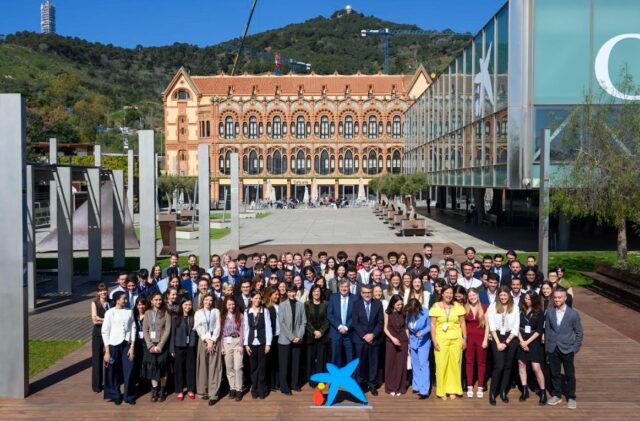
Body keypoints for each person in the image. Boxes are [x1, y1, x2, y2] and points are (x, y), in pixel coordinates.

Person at [545, 289, 583, 410]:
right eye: (555, 297)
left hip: (567, 348)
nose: (557, 299)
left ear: (565, 298)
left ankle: (571, 397)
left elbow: (579, 333)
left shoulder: (573, 314)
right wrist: (547, 347)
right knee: (554, 373)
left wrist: (575, 348)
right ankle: (557, 395)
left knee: (569, 374)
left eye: (559, 297)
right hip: (553, 348)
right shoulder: (550, 312)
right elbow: (547, 331)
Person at [429, 285, 467, 400]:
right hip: (441, 339)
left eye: (451, 293)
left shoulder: (458, 306)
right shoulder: (436, 306)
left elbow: (463, 323)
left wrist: (465, 339)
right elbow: (433, 325)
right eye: (447, 292)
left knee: (455, 364)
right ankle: (442, 391)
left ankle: (453, 390)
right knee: (441, 365)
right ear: (442, 293)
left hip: (456, 339)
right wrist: (434, 340)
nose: (449, 295)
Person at [101, 291, 137, 405]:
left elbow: (133, 328)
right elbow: (105, 331)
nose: (126, 300)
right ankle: (115, 394)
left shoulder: (129, 312)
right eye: (123, 298)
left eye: (126, 298)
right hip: (113, 345)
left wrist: (132, 346)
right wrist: (107, 351)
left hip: (126, 345)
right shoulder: (109, 313)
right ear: (117, 300)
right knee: (113, 370)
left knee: (129, 368)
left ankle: (129, 395)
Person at [487, 286, 520, 405]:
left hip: (511, 338)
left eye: (505, 295)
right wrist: (498, 343)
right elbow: (491, 326)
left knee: (508, 366)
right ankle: (492, 393)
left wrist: (506, 342)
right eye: (501, 295)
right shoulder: (492, 306)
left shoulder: (515, 307)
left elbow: (516, 327)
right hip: (497, 337)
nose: (503, 297)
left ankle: (503, 392)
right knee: (499, 366)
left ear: (509, 295)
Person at [351, 284, 384, 396]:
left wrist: (373, 335)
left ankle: (372, 384)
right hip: (360, 340)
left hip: (374, 339)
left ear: (372, 293)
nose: (367, 294)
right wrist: (365, 336)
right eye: (364, 292)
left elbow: (380, 322)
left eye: (369, 292)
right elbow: (355, 322)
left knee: (373, 363)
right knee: (361, 363)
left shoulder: (378, 304)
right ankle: (361, 384)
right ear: (361, 293)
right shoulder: (356, 304)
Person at [141, 292, 172, 403]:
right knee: (152, 368)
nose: (158, 301)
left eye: (160, 299)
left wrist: (160, 345)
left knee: (163, 368)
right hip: (150, 345)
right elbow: (145, 330)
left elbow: (167, 330)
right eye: (156, 300)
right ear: (151, 301)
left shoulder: (166, 312)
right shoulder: (147, 313)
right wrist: (150, 345)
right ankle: (155, 390)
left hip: (162, 345)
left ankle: (162, 390)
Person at [517, 291, 546, 404]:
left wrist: (527, 342)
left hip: (533, 341)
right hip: (521, 339)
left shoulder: (539, 312)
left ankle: (542, 391)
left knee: (536, 367)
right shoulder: (520, 310)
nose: (527, 301)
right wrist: (522, 341)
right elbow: (516, 326)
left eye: (529, 299)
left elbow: (539, 330)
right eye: (526, 298)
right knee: (521, 364)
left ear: (534, 300)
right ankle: (524, 389)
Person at [194, 293, 223, 406]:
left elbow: (218, 326)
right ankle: (203, 390)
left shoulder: (216, 311)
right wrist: (207, 339)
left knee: (214, 366)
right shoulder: (198, 313)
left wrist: (212, 340)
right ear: (203, 300)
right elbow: (198, 328)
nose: (208, 302)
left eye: (211, 300)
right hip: (203, 340)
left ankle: (213, 394)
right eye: (206, 300)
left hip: (214, 340)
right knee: (203, 366)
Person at [278, 284, 307, 395]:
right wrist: (291, 337)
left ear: (296, 292)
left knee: (296, 363)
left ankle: (295, 384)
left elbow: (303, 322)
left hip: (297, 339)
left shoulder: (301, 305)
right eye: (289, 291)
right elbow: (282, 323)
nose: (292, 294)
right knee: (285, 364)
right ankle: (285, 387)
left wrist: (299, 336)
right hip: (285, 339)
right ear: (287, 292)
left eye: (293, 291)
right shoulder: (282, 305)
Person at [243, 291, 273, 399]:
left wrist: (268, 344)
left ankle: (262, 390)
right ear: (251, 299)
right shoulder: (247, 311)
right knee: (253, 367)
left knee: (262, 366)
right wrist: (246, 344)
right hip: (251, 342)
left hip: (262, 342)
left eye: (259, 298)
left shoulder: (265, 311)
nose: (258, 300)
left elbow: (268, 327)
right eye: (255, 298)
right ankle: (254, 389)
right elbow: (246, 328)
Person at [170, 297, 197, 401]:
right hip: (179, 346)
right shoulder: (176, 317)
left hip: (190, 346)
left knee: (190, 368)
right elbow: (172, 334)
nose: (188, 307)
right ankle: (180, 390)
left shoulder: (193, 317)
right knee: (179, 369)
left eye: (189, 305)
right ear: (181, 305)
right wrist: (172, 349)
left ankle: (190, 389)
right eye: (185, 305)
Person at [464, 288, 489, 399]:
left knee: (481, 363)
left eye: (474, 295)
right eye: (470, 295)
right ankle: (469, 386)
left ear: (478, 295)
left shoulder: (484, 307)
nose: (472, 297)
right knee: (469, 362)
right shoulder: (464, 308)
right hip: (469, 339)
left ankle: (480, 387)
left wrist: (486, 340)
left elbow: (487, 325)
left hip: (481, 338)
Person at [220, 296, 245, 401]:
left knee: (238, 367)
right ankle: (232, 388)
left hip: (237, 341)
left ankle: (239, 389)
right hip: (226, 342)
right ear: (226, 305)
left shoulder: (240, 315)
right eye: (229, 304)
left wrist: (241, 345)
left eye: (233, 304)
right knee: (229, 367)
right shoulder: (222, 316)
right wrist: (222, 346)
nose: (231, 306)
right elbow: (221, 333)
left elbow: (243, 330)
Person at [406, 297, 431, 399]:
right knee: (415, 364)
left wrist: (423, 332)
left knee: (423, 364)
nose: (412, 312)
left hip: (423, 342)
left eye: (414, 311)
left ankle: (424, 390)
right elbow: (408, 327)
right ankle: (416, 386)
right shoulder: (408, 312)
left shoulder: (425, 312)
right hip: (413, 341)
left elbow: (430, 326)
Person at [384, 295, 409, 396]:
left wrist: (408, 341)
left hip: (403, 341)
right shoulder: (387, 312)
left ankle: (400, 388)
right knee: (391, 364)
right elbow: (385, 328)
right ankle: (391, 387)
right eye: (398, 304)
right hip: (391, 341)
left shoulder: (404, 313)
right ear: (393, 304)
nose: (400, 306)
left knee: (401, 364)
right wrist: (392, 338)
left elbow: (406, 327)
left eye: (401, 304)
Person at [327, 280, 356, 366]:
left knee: (350, 359)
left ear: (349, 287)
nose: (344, 289)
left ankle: (350, 375)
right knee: (336, 358)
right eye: (342, 287)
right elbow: (329, 314)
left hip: (349, 333)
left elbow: (356, 315)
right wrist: (339, 326)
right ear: (339, 288)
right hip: (336, 332)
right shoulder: (333, 297)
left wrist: (346, 327)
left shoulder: (355, 298)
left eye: (346, 286)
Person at [305, 284, 329, 387]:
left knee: (321, 359)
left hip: (323, 337)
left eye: (318, 291)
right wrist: (314, 331)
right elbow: (306, 320)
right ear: (311, 293)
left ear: (321, 292)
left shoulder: (326, 304)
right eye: (314, 291)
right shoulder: (307, 304)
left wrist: (321, 332)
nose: (316, 293)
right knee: (310, 359)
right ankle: (312, 379)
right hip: (311, 336)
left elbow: (327, 320)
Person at [91, 283, 109, 393]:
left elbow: (114, 319)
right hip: (98, 334)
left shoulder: (111, 302)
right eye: (101, 291)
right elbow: (94, 321)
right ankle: (96, 385)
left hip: (109, 335)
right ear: (98, 292)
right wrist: (107, 321)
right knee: (97, 360)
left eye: (105, 290)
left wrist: (101, 319)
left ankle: (108, 383)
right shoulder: (94, 303)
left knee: (109, 359)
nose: (103, 292)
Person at [263, 286, 280, 392]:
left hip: (279, 336)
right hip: (270, 338)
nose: (277, 296)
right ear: (269, 295)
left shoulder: (279, 306)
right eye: (275, 295)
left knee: (277, 361)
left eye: (278, 295)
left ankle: (277, 383)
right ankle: (271, 383)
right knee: (270, 361)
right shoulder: (266, 308)